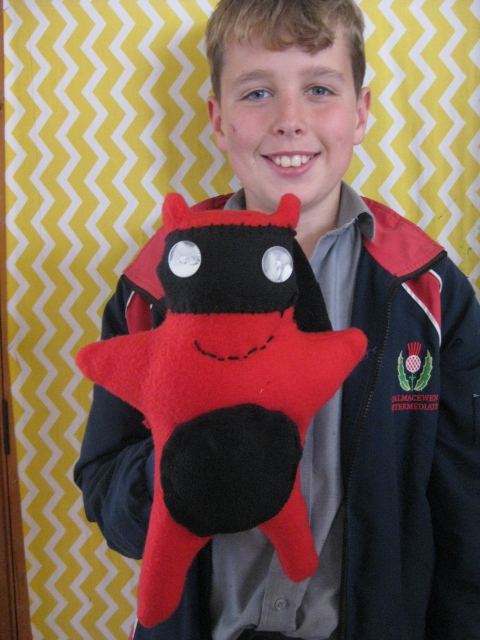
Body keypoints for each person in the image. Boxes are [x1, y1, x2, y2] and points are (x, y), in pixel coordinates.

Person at [74, 0, 480, 638]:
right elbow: (105, 492)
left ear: (361, 112)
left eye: (319, 89)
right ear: (218, 120)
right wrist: (179, 473)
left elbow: (466, 510)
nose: (290, 120)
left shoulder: (427, 290)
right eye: (257, 92)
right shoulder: (152, 287)